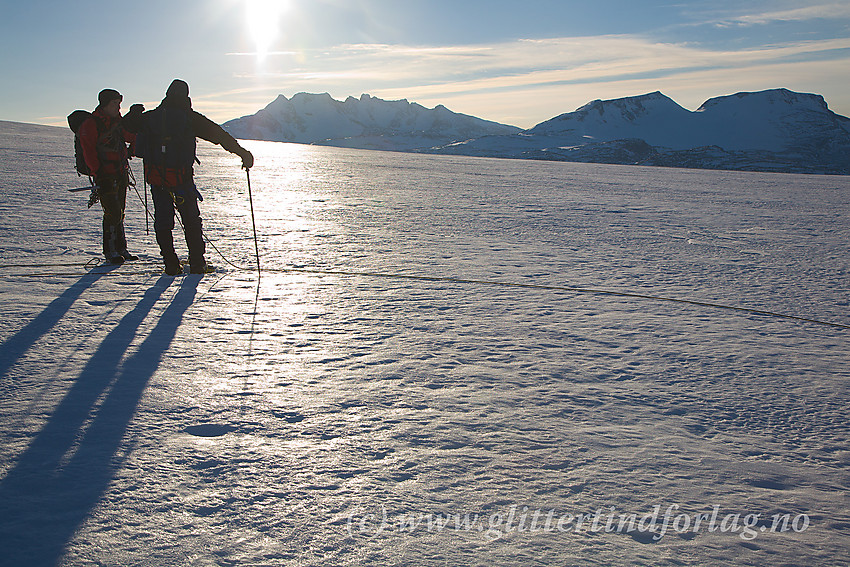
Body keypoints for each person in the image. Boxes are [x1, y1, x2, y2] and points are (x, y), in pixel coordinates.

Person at [124, 79, 254, 275]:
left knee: (163, 221)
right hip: (182, 179)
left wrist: (132, 114)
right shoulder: (190, 118)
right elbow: (219, 135)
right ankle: (197, 263)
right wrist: (242, 153)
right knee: (191, 221)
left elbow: (125, 126)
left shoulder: (150, 117)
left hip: (157, 179)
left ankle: (171, 264)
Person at [78, 89, 138, 264]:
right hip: (105, 175)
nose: (118, 107)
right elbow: (88, 151)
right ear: (105, 104)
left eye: (119, 104)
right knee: (113, 212)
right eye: (115, 104)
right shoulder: (91, 123)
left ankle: (121, 248)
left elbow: (131, 137)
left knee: (119, 211)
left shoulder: (117, 122)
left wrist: (133, 122)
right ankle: (111, 251)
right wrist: (98, 174)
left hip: (120, 172)